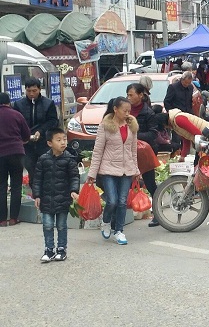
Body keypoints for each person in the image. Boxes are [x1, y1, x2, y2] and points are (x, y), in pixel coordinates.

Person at [87, 97, 140, 246]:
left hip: (127, 169)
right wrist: (92, 173)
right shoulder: (105, 126)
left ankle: (118, 231)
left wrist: (136, 169)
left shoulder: (131, 126)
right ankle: (106, 222)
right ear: (115, 109)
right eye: (125, 111)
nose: (127, 114)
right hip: (108, 169)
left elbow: (133, 150)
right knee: (112, 201)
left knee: (122, 202)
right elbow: (97, 151)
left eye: (129, 111)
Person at [32, 128, 79, 262]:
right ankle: (49, 249)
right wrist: (37, 195)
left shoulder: (69, 159)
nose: (63, 143)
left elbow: (74, 177)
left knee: (61, 225)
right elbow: (37, 179)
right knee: (47, 225)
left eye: (64, 139)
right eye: (58, 140)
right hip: (46, 199)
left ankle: (61, 249)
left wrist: (74, 190)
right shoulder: (43, 159)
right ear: (49, 143)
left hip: (63, 198)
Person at [13, 77, 59, 187]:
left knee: (45, 168)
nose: (31, 94)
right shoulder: (19, 104)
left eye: (34, 91)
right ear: (25, 90)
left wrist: (41, 131)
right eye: (29, 91)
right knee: (31, 168)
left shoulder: (48, 103)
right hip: (26, 144)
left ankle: (46, 191)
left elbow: (53, 121)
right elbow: (16, 123)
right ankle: (35, 193)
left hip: (43, 142)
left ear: (39, 89)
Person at [126, 83, 160, 227]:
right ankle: (123, 215)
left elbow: (153, 134)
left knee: (150, 183)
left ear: (140, 95)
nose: (129, 98)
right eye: (127, 95)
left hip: (144, 151)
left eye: (131, 95)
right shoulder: (124, 110)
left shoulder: (148, 113)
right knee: (124, 183)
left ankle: (158, 214)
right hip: (127, 152)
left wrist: (133, 134)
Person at [0, 93, 30, 226]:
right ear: (9, 102)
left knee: (1, 186)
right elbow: (27, 135)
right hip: (16, 153)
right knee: (16, 185)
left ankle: (1, 220)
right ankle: (13, 218)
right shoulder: (17, 115)